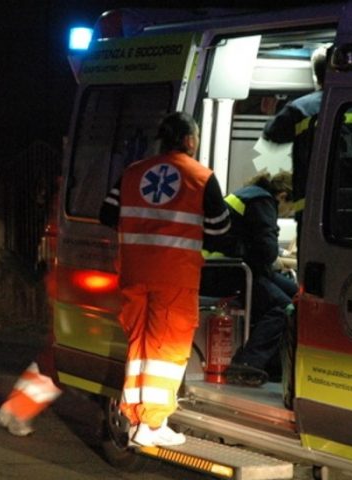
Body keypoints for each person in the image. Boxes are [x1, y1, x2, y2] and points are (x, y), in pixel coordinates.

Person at [99, 112, 230, 447]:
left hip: (134, 273)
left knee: (140, 347)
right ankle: (153, 425)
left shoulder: (133, 173)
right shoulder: (200, 177)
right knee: (165, 351)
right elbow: (220, 231)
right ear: (189, 141)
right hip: (174, 276)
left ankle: (137, 416)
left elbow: (107, 214)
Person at [219, 171, 299, 387]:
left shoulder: (251, 195)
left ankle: (273, 365)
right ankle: (246, 365)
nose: (286, 213)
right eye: (288, 208)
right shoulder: (262, 201)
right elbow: (268, 250)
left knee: (299, 296)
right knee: (284, 307)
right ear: (282, 196)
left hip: (233, 267)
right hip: (228, 271)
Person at [262, 45, 328, 246]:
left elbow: (272, 134)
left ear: (316, 76)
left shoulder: (302, 108)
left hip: (311, 207)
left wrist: (276, 110)